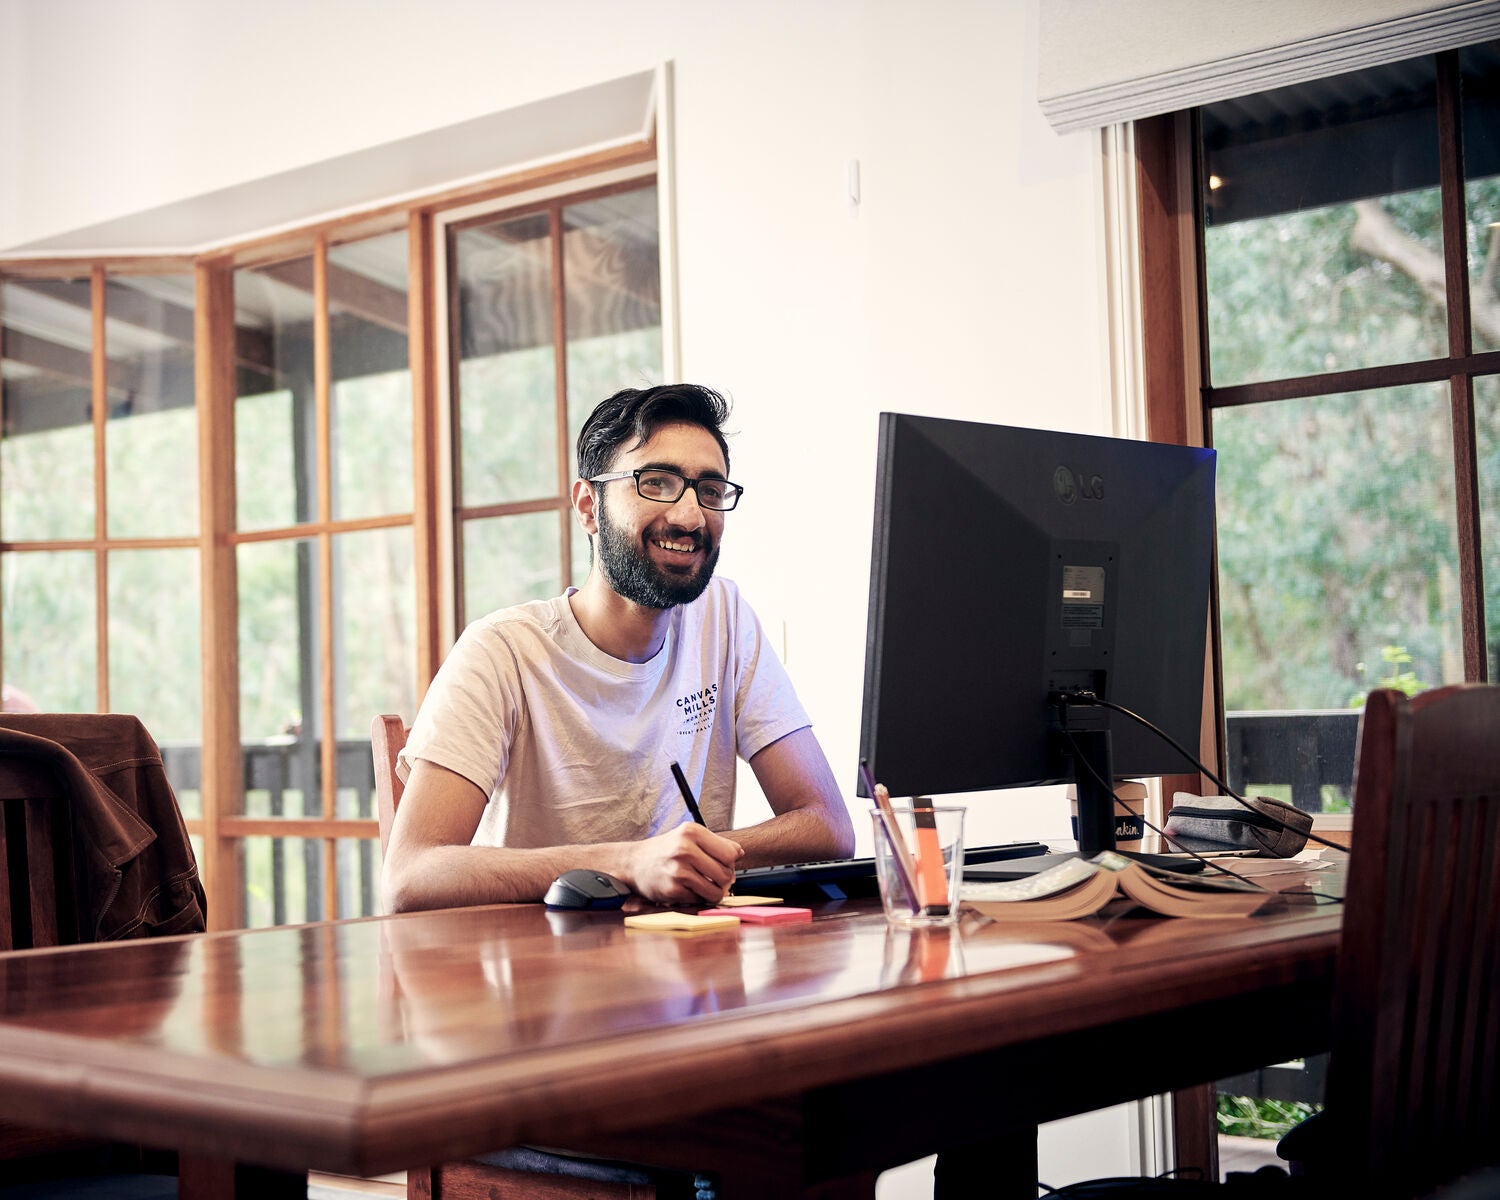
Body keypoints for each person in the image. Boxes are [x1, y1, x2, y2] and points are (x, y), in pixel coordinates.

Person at [381, 383, 854, 912]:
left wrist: (689, 858)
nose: (690, 517)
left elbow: (828, 826)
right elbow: (410, 876)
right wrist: (629, 862)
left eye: (710, 490)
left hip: (688, 952)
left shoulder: (723, 617)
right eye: (656, 483)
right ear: (589, 507)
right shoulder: (503, 652)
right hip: (539, 955)